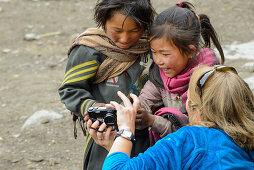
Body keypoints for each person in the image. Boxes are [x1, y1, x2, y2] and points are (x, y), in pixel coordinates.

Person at [88, 65, 254, 169]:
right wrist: (114, 148)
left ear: (197, 109)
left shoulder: (189, 140)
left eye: (187, 99)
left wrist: (125, 131)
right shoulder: (247, 139)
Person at [58, 0, 155, 169]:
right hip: (106, 137)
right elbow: (70, 89)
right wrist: (93, 106)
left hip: (147, 136)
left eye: (134, 31)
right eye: (117, 30)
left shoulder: (152, 47)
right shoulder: (90, 50)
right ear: (103, 22)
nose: (125, 39)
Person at [134, 1, 224, 145]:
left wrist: (152, 121)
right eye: (154, 52)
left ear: (190, 51)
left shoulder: (209, 82)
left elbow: (196, 132)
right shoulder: (160, 74)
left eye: (165, 54)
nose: (158, 60)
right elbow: (145, 100)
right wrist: (130, 111)